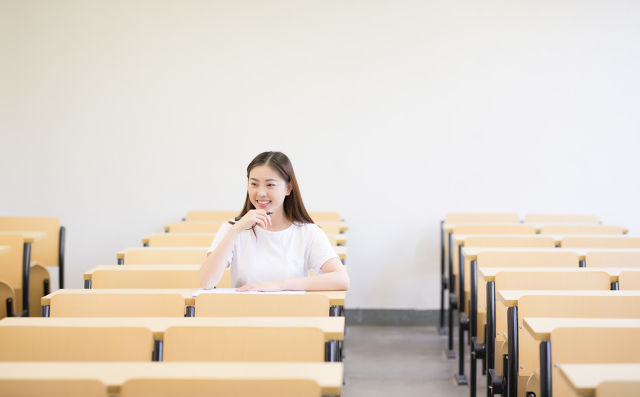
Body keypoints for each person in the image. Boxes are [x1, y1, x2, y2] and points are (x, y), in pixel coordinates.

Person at [199, 151, 350, 292]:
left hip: (292, 316)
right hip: (243, 316)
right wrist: (235, 230)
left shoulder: (307, 232)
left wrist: (280, 285)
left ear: (288, 189)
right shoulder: (232, 229)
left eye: (270, 184)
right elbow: (206, 283)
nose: (261, 192)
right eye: (254, 184)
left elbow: (341, 279)